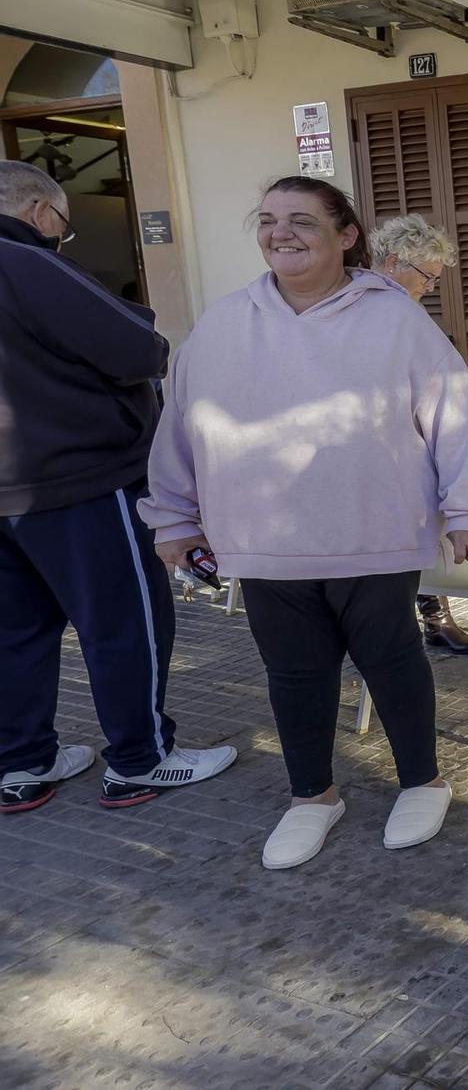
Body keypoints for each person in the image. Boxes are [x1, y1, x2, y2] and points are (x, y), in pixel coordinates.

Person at [141, 177, 468, 870]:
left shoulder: (395, 319)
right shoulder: (223, 322)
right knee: (294, 673)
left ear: (346, 234)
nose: (282, 233)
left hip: (374, 531)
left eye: (303, 220)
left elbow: (452, 412)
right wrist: (173, 518)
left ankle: (423, 780)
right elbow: (181, 425)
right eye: (269, 219)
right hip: (267, 542)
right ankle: (313, 795)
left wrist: (467, 507)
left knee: (391, 662)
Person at [0, 161, 238, 813]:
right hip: (77, 478)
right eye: (63, 225)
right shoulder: (27, 262)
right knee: (124, 621)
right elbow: (140, 346)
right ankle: (141, 758)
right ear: (41, 214)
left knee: (16, 631)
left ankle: (23, 762)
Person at [369, 214, 468, 656]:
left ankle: (434, 617)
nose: (431, 287)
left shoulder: (404, 314)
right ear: (393, 262)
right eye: (427, 277)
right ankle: (421, 624)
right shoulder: (365, 305)